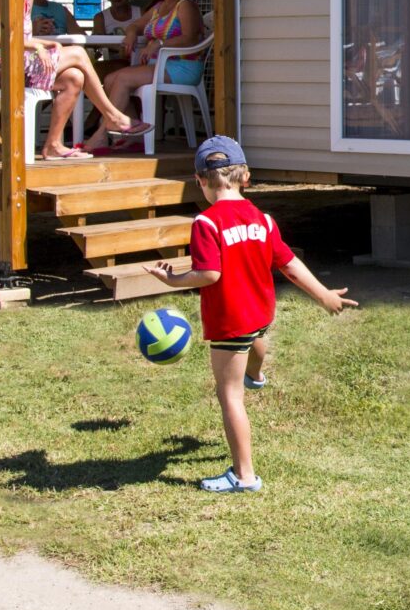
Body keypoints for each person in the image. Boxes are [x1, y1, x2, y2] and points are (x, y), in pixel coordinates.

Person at [148, 136, 357, 494]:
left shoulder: (206, 223)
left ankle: (245, 476)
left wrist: (173, 279)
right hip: (260, 312)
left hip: (231, 319)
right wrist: (322, 294)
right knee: (256, 337)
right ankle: (257, 375)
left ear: (199, 180)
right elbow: (289, 264)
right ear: (245, 177)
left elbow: (209, 274)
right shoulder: (263, 219)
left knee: (229, 395)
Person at [0, 0, 149, 159]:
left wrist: (45, 43)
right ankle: (111, 116)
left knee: (74, 77)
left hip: (16, 63)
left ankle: (53, 145)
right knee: (77, 53)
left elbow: (21, 36)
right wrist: (36, 45)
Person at [80, 0, 204, 151]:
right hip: (159, 66)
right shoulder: (157, 8)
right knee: (111, 79)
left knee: (121, 79)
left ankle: (101, 135)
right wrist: (130, 33)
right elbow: (136, 25)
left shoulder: (186, 5)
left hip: (182, 66)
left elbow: (191, 37)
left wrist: (159, 43)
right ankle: (136, 131)